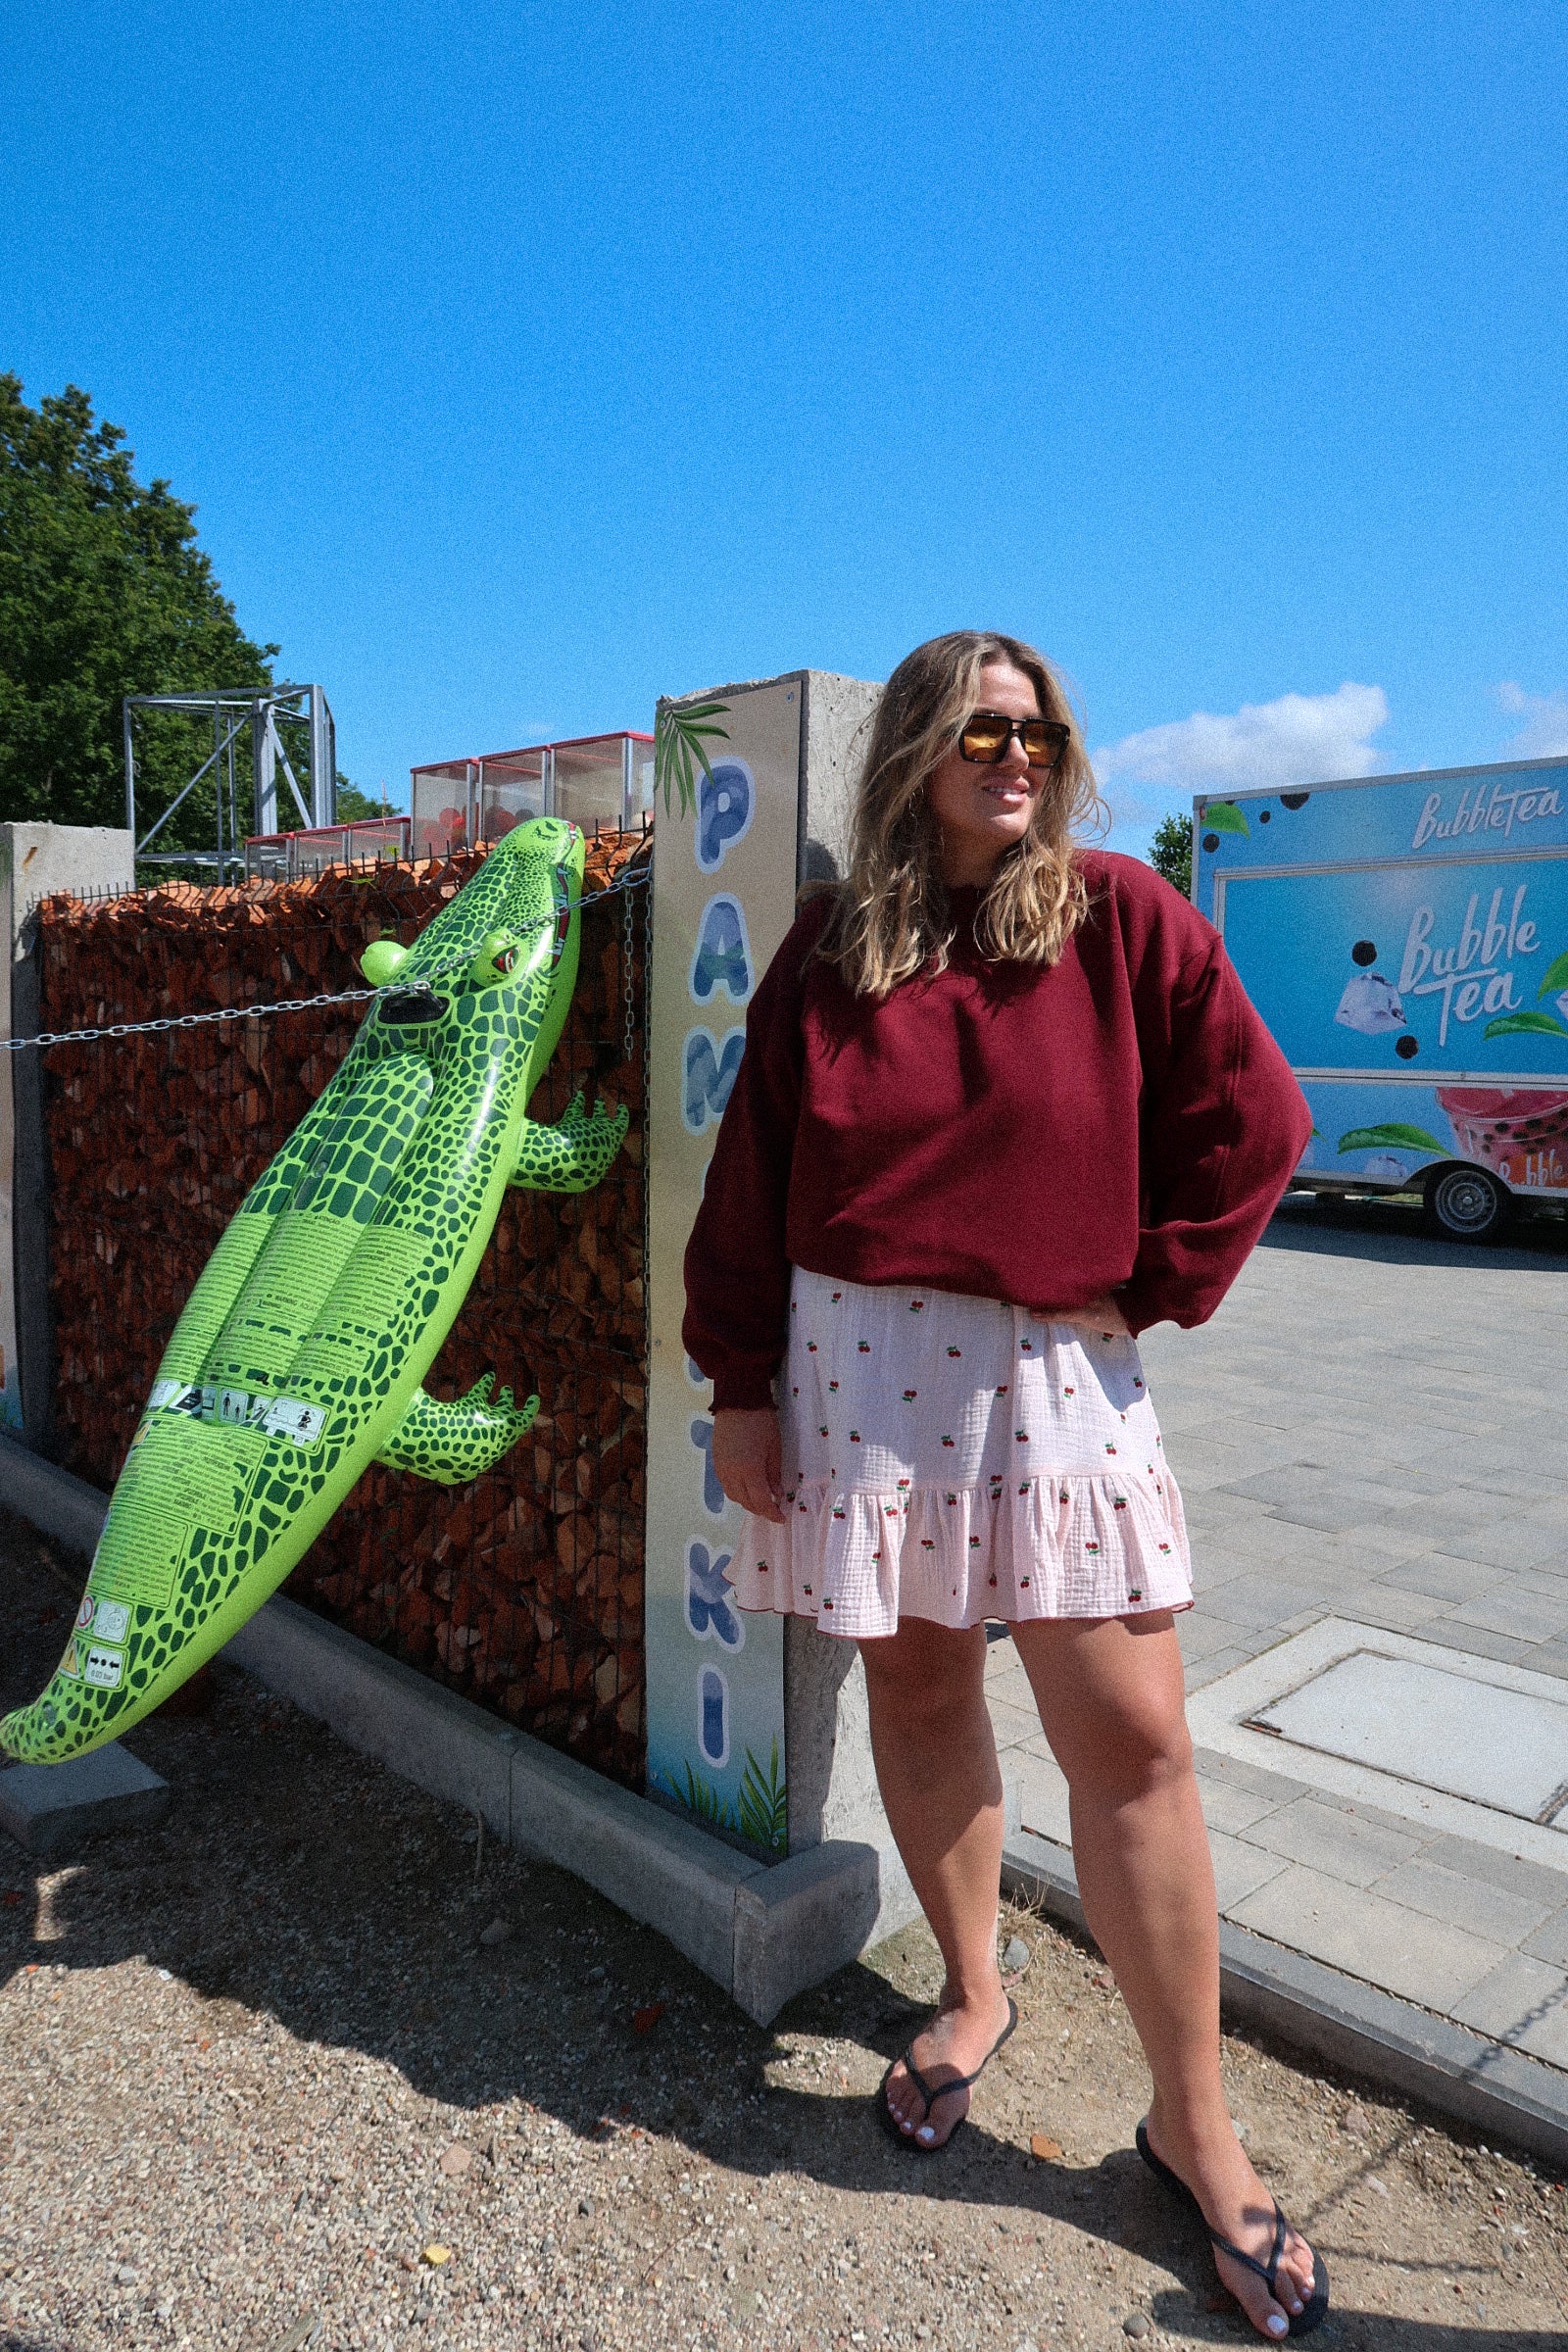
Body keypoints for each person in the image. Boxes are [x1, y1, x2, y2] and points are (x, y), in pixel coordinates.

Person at [683, 631, 1323, 2341]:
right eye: (982, 728)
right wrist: (738, 1378)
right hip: (852, 1369)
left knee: (1135, 1738)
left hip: (1053, 1378)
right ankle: (974, 1994)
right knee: (918, 1687)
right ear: (915, 749)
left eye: (1037, 728)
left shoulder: (1122, 916)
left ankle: (1192, 2120)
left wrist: (1164, 1274)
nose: (1017, 751)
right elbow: (755, 1176)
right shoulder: (829, 948)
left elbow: (1259, 1120)